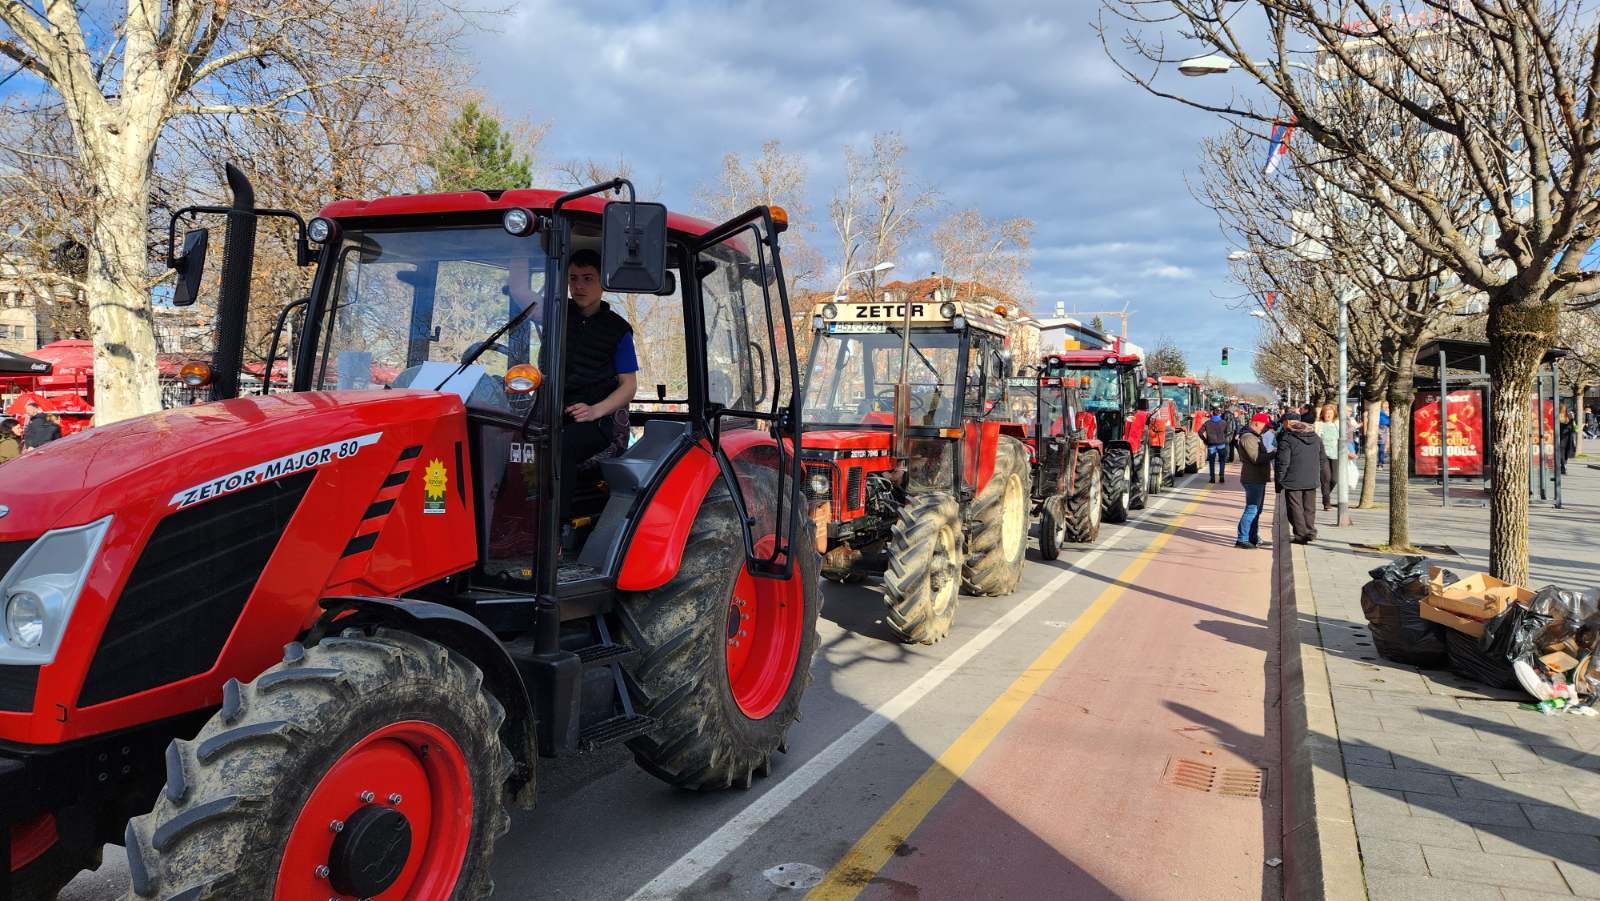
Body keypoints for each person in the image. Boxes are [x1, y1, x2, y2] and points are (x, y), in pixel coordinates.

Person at [560, 248, 638, 529]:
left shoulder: (618, 330)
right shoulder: (556, 314)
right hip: (552, 412)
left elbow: (628, 386)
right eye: (573, 278)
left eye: (587, 278)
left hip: (598, 422)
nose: (578, 286)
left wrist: (594, 411)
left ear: (603, 282)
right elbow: (521, 292)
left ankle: (555, 530)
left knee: (560, 445)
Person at [1276, 417, 1322, 543]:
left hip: (1292, 479)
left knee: (1294, 508)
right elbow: (1322, 457)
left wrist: (1280, 479)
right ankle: (1310, 531)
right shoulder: (1316, 438)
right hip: (1311, 478)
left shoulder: (1287, 439)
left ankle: (1301, 535)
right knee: (1309, 507)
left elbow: (1283, 462)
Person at [1234, 412, 1275, 548]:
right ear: (1257, 423)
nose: (1265, 428)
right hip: (1253, 478)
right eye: (1264, 425)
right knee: (1252, 509)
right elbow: (1256, 458)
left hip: (1257, 477)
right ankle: (1242, 538)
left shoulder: (1254, 437)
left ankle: (1252, 537)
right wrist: (1273, 453)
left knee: (1256, 510)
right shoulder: (1248, 438)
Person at [1313, 403, 1340, 511]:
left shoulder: (1337, 424)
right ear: (1322, 414)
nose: (1328, 415)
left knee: (1334, 479)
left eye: (1330, 413)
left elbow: (1343, 440)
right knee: (1326, 478)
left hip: (1335, 454)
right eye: (1326, 413)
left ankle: (1326, 495)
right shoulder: (1318, 424)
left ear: (1334, 414)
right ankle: (1327, 503)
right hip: (1322, 455)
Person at [1199, 409, 1232, 484]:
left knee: (1211, 461)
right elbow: (1228, 431)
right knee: (1222, 460)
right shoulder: (1224, 422)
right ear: (1220, 414)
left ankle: (1212, 478)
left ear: (1212, 414)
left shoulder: (1207, 423)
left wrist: (1205, 440)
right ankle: (1221, 476)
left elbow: (1200, 432)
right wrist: (1224, 437)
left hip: (1211, 444)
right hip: (1221, 444)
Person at [1377, 401, 1391, 466]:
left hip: (1388, 428)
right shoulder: (1379, 412)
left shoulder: (1390, 411)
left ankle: (1383, 457)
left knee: (1387, 444)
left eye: (1387, 404)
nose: (1386, 406)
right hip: (1381, 428)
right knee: (1381, 445)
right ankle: (1380, 462)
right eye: (1384, 404)